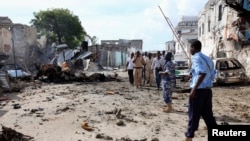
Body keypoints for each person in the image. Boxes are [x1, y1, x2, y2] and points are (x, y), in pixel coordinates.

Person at [184, 39, 217, 141]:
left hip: (198, 91)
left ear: (194, 48)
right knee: (208, 115)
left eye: (190, 47)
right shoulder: (207, 58)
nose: (190, 49)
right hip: (207, 90)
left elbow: (202, 73)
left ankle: (189, 137)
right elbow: (212, 73)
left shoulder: (196, 57)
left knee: (193, 114)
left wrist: (194, 89)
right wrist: (191, 75)